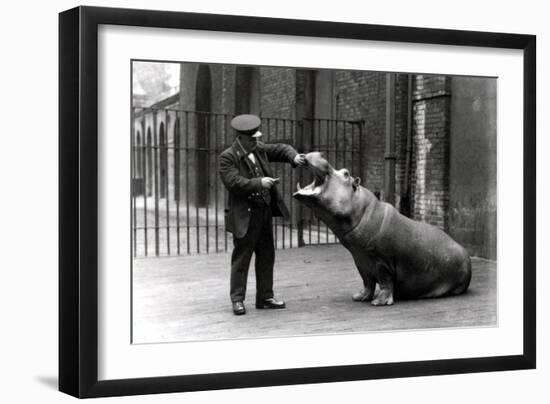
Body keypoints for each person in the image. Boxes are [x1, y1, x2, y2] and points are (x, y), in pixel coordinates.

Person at [218, 114, 306, 315]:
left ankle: (265, 297)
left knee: (267, 256)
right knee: (242, 258)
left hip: (263, 213)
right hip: (245, 216)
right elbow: (233, 183)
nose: (256, 142)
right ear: (241, 138)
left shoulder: (257, 149)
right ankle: (237, 300)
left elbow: (281, 148)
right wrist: (260, 183)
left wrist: (293, 156)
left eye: (256, 138)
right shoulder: (227, 157)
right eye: (252, 139)